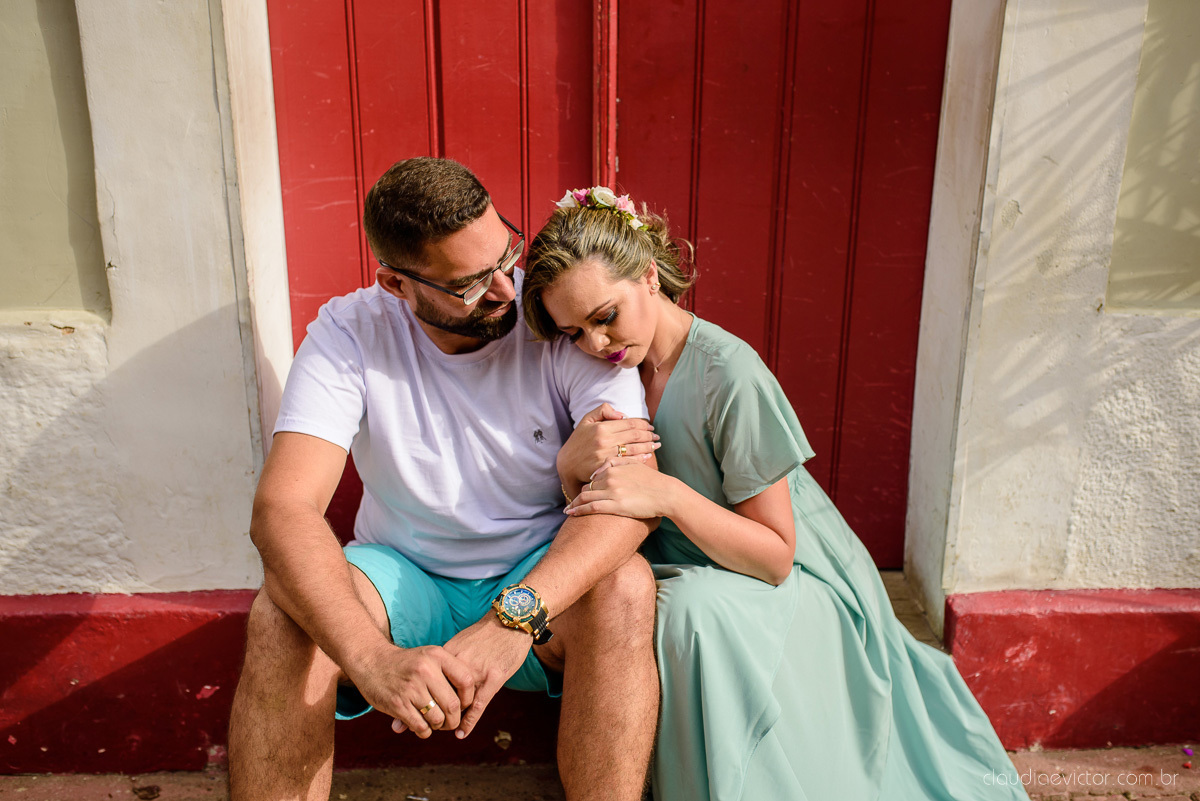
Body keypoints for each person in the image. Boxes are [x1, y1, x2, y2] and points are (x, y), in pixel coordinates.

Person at [521, 187, 1031, 801]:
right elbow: (599, 502)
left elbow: (775, 556)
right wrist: (567, 466)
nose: (596, 345)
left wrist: (670, 496)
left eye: (605, 317)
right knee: (627, 602)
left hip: (790, 573)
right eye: (574, 332)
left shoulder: (730, 374)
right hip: (694, 559)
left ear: (649, 276)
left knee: (685, 616)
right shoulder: (608, 373)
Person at [228, 161, 664, 801]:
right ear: (396, 284)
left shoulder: (558, 310)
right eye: (467, 285)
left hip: (535, 577)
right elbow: (283, 509)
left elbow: (634, 498)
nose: (504, 292)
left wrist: (513, 622)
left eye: (506, 255)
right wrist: (372, 661)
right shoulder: (351, 332)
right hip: (402, 577)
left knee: (626, 586)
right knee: (280, 614)